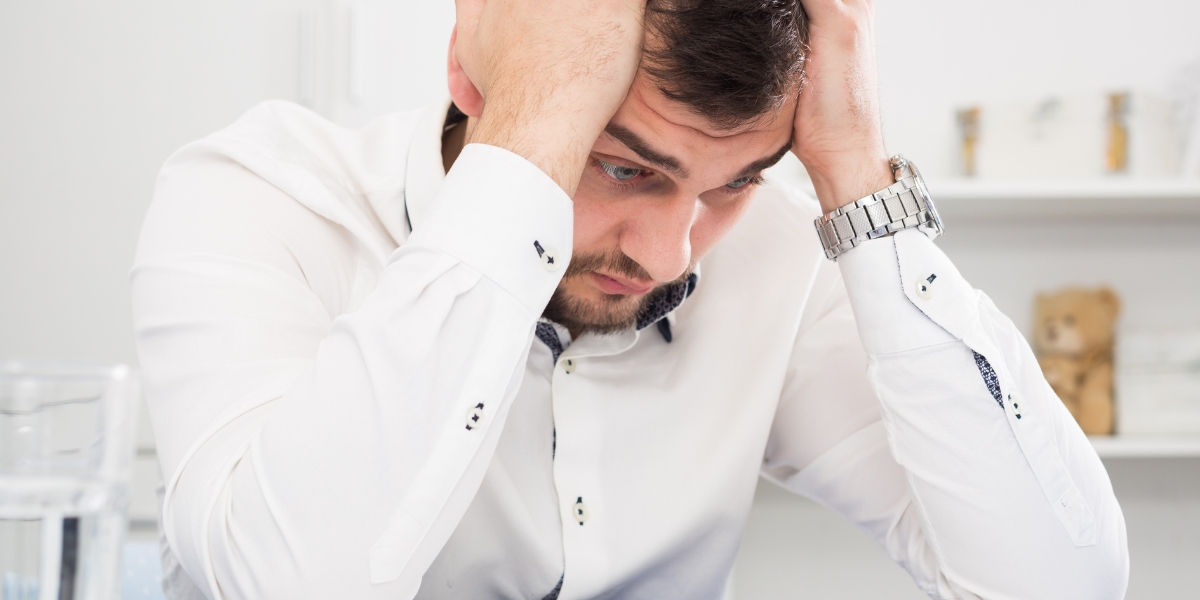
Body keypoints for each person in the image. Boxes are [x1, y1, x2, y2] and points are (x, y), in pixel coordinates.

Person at [130, 0, 1129, 598]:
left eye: (735, 182)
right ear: (475, 78)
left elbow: (1057, 584)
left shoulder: (772, 262)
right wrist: (529, 137)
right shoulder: (261, 198)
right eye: (625, 167)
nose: (669, 253)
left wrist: (857, 172)